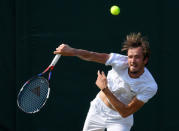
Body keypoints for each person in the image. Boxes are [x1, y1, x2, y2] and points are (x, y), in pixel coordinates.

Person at [54, 32, 158, 131]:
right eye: (130, 57)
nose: (132, 61)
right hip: (97, 110)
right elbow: (92, 55)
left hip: (120, 120)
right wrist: (73, 51)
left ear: (145, 60)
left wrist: (105, 89)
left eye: (137, 57)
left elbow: (125, 112)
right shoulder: (120, 61)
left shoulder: (149, 86)